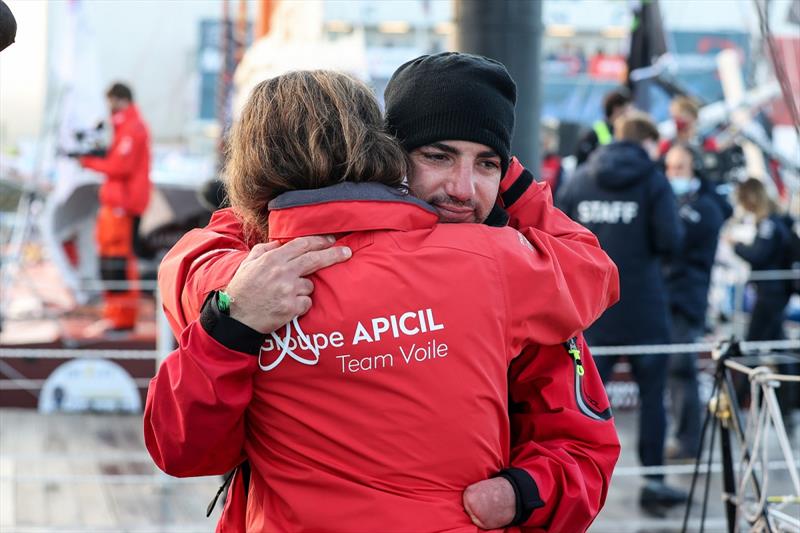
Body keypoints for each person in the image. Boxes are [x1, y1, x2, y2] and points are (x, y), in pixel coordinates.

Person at [149, 57, 620, 532]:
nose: (462, 188)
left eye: (488, 164)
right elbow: (593, 269)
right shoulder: (511, 268)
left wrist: (522, 493)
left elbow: (583, 449)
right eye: (437, 156)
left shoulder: (234, 281)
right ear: (388, 155)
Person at [557, 111, 687, 516]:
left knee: (579, 403)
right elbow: (671, 239)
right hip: (645, 308)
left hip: (592, 311)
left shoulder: (580, 178)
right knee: (652, 400)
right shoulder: (653, 181)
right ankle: (653, 482)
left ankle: (570, 483)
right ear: (647, 143)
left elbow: (556, 235)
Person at [663, 144, 729, 461]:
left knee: (681, 368)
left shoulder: (706, 207)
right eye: (670, 168)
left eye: (680, 168)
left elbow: (677, 241)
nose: (673, 174)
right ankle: (682, 436)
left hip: (686, 298)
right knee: (670, 370)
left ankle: (689, 440)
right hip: (663, 296)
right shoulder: (669, 201)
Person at [78, 83, 151, 334]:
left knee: (119, 260)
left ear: (119, 100)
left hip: (123, 206)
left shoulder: (133, 127)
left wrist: (87, 161)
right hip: (116, 205)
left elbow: (121, 166)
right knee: (110, 260)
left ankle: (123, 318)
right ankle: (115, 315)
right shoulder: (125, 127)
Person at [732, 178, 791, 342]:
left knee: (754, 339)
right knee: (776, 338)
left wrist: (736, 246)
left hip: (771, 289)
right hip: (774, 288)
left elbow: (758, 255)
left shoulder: (769, 223)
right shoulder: (775, 221)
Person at [574, 87, 632, 166]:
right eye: (626, 110)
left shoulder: (626, 134)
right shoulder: (593, 135)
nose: (629, 115)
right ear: (616, 109)